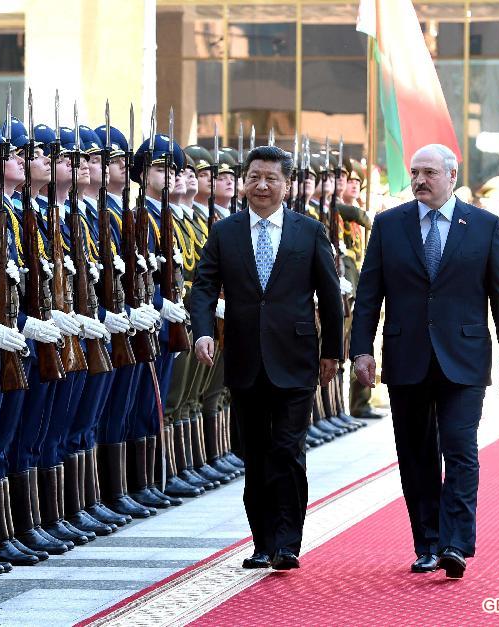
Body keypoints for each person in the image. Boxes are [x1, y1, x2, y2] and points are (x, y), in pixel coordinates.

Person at [350, 143, 499, 580]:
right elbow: (369, 294)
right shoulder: (389, 226)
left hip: (463, 358)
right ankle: (427, 543)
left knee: (461, 451)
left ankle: (455, 544)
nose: (420, 180)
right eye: (414, 172)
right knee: (416, 454)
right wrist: (362, 350)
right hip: (407, 356)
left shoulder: (483, 226)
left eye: (429, 172)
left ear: (451, 174)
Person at [190, 145, 343, 571]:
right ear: (245, 181)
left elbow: (329, 296)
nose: (262, 185)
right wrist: (202, 331)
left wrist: (334, 352)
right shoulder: (225, 232)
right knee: (254, 452)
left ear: (286, 184)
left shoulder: (308, 231)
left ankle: (287, 542)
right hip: (244, 357)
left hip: (295, 359)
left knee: (287, 448)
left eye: (271, 178)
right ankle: (261, 542)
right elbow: (203, 286)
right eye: (255, 177)